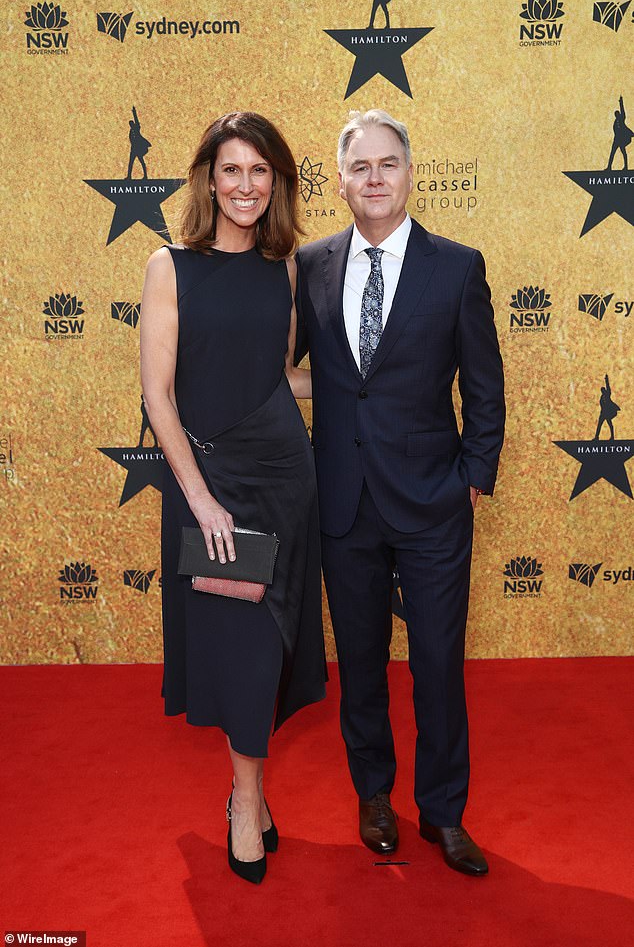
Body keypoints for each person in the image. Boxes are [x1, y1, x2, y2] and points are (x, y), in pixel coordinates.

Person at [296, 110, 505, 877]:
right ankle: (374, 795)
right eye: (361, 167)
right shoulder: (311, 264)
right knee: (361, 660)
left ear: (410, 173)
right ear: (342, 179)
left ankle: (444, 813)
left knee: (440, 662)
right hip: (344, 502)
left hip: (433, 504)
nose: (375, 178)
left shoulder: (457, 267)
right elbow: (289, 369)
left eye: (389, 164)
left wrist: (472, 481)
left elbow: (485, 387)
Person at [140, 111, 326, 885]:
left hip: (284, 479)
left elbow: (275, 380)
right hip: (208, 489)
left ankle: (251, 791)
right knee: (242, 649)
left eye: (260, 172)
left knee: (275, 647)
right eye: (231, 170)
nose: (245, 185)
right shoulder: (169, 265)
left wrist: (374, 390)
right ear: (208, 179)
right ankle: (244, 799)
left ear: (275, 182)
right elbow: (158, 395)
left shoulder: (283, 271)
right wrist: (202, 498)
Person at [606, 96, 633, 171]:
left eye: (618, 113)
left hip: (621, 139)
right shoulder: (615, 122)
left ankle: (626, 167)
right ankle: (609, 167)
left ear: (619, 114)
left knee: (623, 153)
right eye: (616, 114)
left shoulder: (622, 119)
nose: (617, 114)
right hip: (616, 140)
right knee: (612, 153)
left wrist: (621, 102)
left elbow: (623, 110)